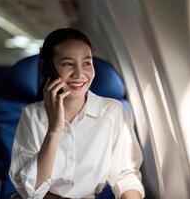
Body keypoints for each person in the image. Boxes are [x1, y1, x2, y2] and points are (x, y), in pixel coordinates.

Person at [9, 28, 145, 199]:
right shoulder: (32, 115)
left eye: (87, 63)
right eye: (68, 64)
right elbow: (30, 192)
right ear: (47, 68)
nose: (80, 74)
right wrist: (54, 130)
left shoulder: (112, 111)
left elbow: (126, 175)